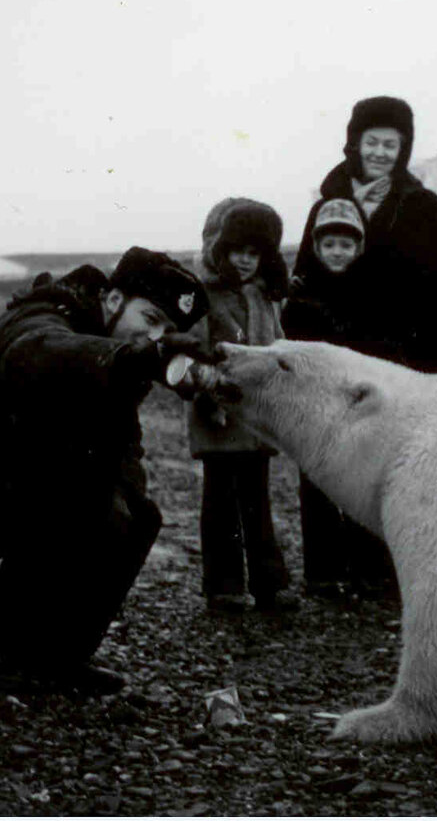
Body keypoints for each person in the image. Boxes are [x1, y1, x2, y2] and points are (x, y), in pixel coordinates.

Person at [0, 247, 212, 695]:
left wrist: (122, 511)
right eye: (150, 318)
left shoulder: (115, 353)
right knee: (78, 486)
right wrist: (133, 359)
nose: (155, 336)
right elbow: (40, 354)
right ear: (114, 300)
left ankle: (56, 659)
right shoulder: (45, 316)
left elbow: (122, 452)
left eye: (167, 332)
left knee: (137, 514)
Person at [291, 95, 437, 376]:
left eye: (390, 145)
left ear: (403, 150)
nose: (380, 153)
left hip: (404, 364)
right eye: (372, 142)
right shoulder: (327, 206)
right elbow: (304, 283)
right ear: (356, 144)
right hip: (336, 362)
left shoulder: (426, 207)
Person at [280, 198, 396, 599]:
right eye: (329, 244)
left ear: (358, 248)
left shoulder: (373, 293)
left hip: (359, 406)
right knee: (317, 489)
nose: (337, 252)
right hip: (314, 409)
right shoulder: (300, 295)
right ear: (316, 246)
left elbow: (380, 348)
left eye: (346, 244)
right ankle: (323, 574)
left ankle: (370, 572)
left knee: (363, 488)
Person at [186, 197, 297, 613]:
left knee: (257, 498)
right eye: (237, 251)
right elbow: (193, 349)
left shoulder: (266, 295)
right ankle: (224, 586)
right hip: (217, 413)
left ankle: (270, 582)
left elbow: (278, 345)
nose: (246, 261)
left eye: (255, 252)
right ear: (219, 248)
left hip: (258, 417)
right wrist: (207, 394)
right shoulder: (204, 295)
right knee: (220, 502)